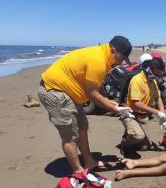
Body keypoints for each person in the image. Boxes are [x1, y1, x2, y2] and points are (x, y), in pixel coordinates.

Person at [38, 35, 134, 174]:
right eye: (121, 57)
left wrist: (110, 101)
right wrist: (115, 109)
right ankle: (78, 172)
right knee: (70, 134)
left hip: (69, 93)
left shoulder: (105, 57)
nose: (121, 62)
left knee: (82, 126)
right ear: (113, 50)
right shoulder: (98, 60)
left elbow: (97, 84)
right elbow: (92, 94)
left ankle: (89, 162)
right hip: (54, 90)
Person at [119, 56, 166, 156]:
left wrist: (163, 115)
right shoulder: (137, 80)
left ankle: (131, 134)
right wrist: (157, 112)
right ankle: (124, 143)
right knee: (138, 136)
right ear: (150, 70)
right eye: (158, 74)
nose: (159, 77)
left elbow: (158, 98)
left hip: (143, 116)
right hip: (130, 114)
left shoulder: (153, 81)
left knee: (146, 146)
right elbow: (136, 103)